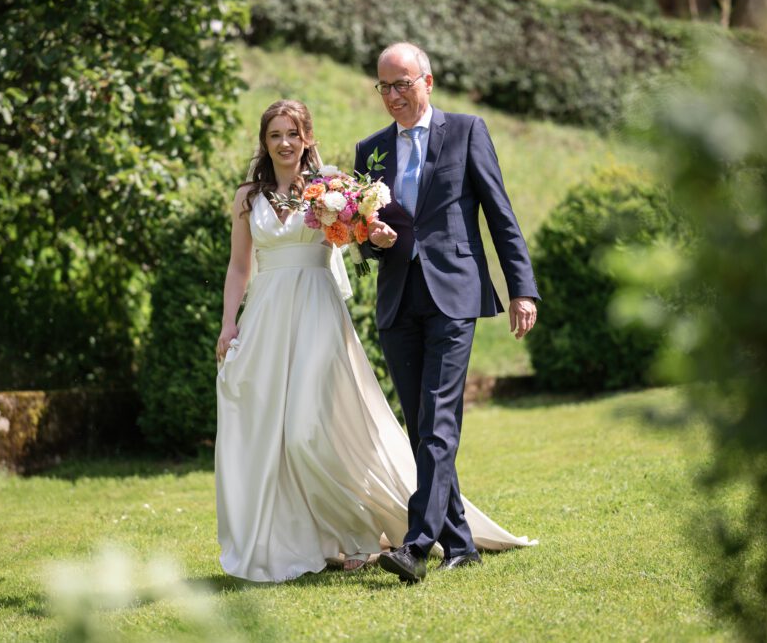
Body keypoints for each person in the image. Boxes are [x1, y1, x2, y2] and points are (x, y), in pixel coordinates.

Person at [214, 99, 535, 584]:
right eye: (275, 134)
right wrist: (228, 323)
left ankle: (372, 530)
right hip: (266, 317)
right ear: (264, 140)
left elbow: (358, 236)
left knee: (306, 431)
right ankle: (311, 538)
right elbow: (239, 266)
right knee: (271, 433)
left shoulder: (332, 186)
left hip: (317, 311)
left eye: (293, 133)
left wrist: (369, 231)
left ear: (307, 138)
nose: (284, 142)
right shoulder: (246, 196)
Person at [355, 42, 540, 583]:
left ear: (428, 82)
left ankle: (415, 545)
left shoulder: (466, 131)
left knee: (437, 420)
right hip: (398, 299)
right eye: (384, 86)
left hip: (454, 294)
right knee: (422, 427)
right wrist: (373, 238)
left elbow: (500, 215)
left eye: (402, 84)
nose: (393, 95)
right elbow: (365, 234)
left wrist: (522, 289)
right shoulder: (372, 151)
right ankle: (461, 542)